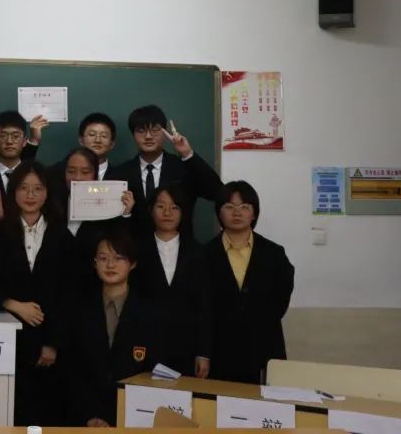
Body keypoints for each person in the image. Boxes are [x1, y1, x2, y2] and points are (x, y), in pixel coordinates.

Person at [0, 161, 75, 426]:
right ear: (13, 192)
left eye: (38, 188)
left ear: (47, 193)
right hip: (5, 341)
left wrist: (53, 343)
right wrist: (14, 305)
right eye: (23, 188)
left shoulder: (62, 236)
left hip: (47, 344)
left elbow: (69, 294)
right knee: (6, 413)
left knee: (44, 415)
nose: (30, 195)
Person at [204, 181, 294, 384]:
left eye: (244, 207)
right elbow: (202, 305)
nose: (237, 212)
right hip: (220, 349)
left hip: (264, 346)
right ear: (219, 213)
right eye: (229, 206)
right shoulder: (205, 255)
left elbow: (281, 297)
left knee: (265, 402)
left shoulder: (274, 253)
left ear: (254, 214)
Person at [66, 228, 157, 427]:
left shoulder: (149, 313)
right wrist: (90, 415)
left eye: (119, 258)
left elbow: (154, 373)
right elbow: (73, 369)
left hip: (133, 418)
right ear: (95, 263)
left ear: (132, 263)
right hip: (86, 419)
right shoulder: (79, 310)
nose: (110, 265)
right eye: (103, 258)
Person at [111, 105, 222, 239]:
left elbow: (216, 192)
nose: (148, 136)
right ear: (133, 135)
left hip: (180, 247)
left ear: (165, 133)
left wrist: (187, 153)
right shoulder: (120, 174)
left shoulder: (183, 167)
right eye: (141, 130)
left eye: (155, 130)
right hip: (136, 248)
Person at [135, 185, 211, 377]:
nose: (167, 213)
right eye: (161, 206)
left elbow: (205, 305)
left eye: (175, 207)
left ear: (183, 212)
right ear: (151, 210)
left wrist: (203, 352)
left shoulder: (198, 252)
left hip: (187, 347)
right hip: (145, 346)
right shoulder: (136, 251)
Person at [0, 110, 47, 193]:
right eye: (3, 136)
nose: (9, 141)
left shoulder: (37, 176)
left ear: (24, 141)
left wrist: (34, 139)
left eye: (15, 136)